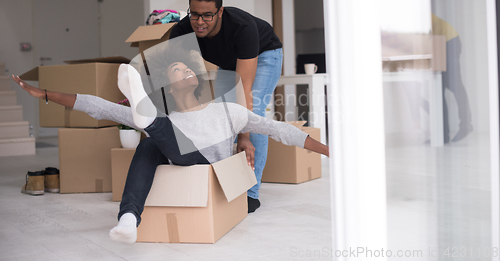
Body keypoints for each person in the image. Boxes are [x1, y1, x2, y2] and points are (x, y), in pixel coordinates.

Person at [11, 46, 328, 244]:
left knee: (153, 128)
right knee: (149, 145)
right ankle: (129, 220)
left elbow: (279, 130)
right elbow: (101, 107)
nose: (188, 71)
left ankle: (143, 117)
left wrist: (330, 151)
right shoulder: (167, 116)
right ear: (168, 84)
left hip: (211, 173)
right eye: (178, 70)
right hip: (172, 149)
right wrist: (46, 94)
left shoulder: (227, 110)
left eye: (190, 68)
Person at [170, 0, 283, 212]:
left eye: (208, 15)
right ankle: (223, 185)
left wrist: (243, 136)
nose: (200, 22)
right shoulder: (181, 32)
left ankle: (250, 193)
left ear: (220, 11)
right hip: (227, 65)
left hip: (263, 55)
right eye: (195, 15)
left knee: (252, 116)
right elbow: (174, 81)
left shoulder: (243, 27)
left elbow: (244, 89)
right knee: (218, 114)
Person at [431, 14, 473, 143]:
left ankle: (465, 125)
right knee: (440, 88)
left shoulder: (418, 14)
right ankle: (443, 134)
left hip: (449, 41)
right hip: (440, 42)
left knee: (455, 85)